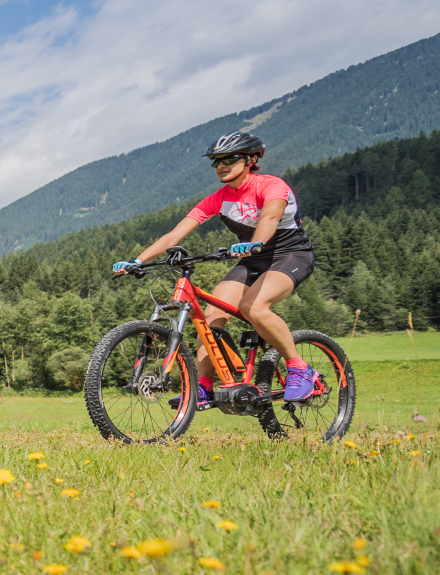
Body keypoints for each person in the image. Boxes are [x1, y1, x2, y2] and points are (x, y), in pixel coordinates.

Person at [112, 132, 319, 403]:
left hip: (290, 255)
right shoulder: (218, 198)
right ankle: (204, 387)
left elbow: (269, 218)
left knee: (253, 308)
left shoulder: (272, 186)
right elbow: (173, 236)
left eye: (230, 159)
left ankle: (300, 370)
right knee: (210, 317)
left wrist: (254, 242)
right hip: (253, 259)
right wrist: (137, 260)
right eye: (216, 162)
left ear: (252, 159)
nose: (221, 165)